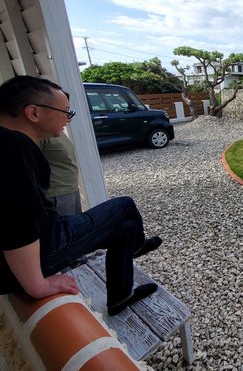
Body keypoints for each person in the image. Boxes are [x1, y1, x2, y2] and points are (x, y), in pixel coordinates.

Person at [0, 75, 162, 315]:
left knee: (126, 228)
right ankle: (136, 246)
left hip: (39, 243)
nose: (68, 118)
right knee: (125, 205)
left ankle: (120, 296)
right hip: (43, 248)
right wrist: (38, 285)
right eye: (65, 111)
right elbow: (17, 223)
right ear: (33, 113)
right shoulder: (13, 147)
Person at [40, 130, 82, 216]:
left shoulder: (58, 131)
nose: (68, 122)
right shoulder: (40, 134)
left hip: (72, 189)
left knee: (78, 222)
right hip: (57, 195)